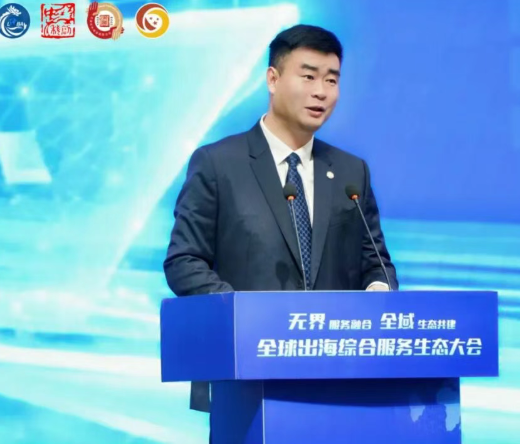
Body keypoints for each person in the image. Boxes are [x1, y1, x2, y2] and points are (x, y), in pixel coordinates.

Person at [163, 24, 398, 416]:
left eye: (331, 80)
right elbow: (184, 261)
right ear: (273, 79)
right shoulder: (218, 164)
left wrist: (378, 292)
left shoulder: (350, 172)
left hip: (338, 376)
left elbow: (376, 261)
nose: (321, 91)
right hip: (244, 377)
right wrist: (243, 314)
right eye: (308, 76)